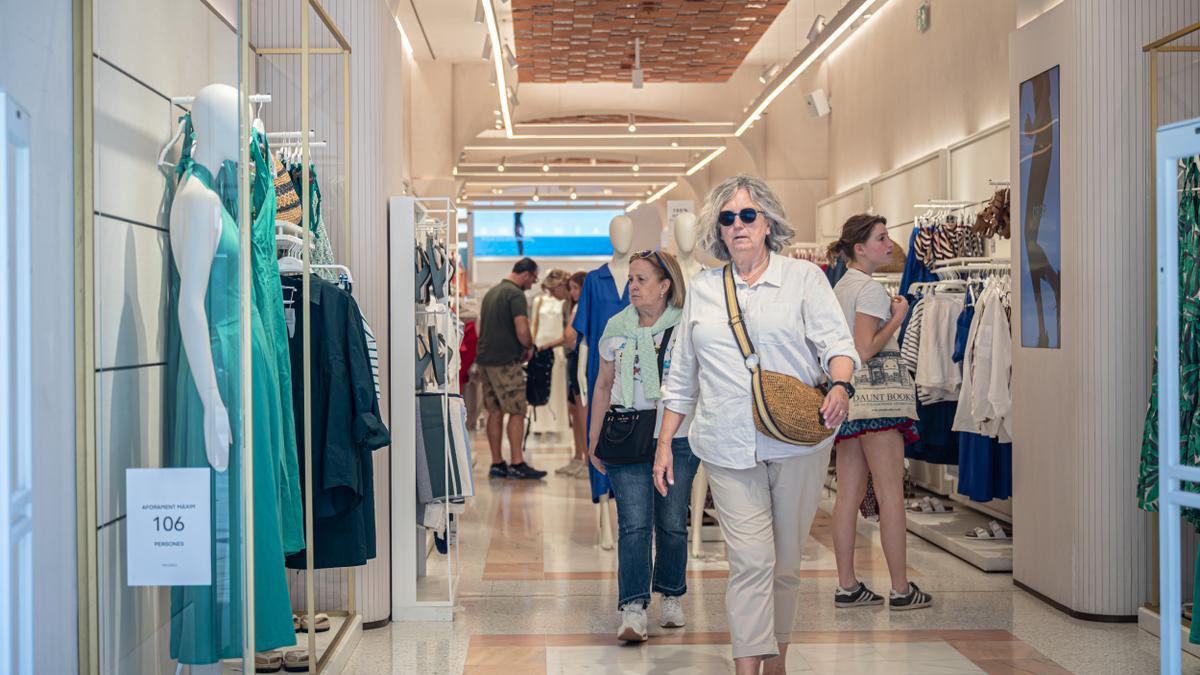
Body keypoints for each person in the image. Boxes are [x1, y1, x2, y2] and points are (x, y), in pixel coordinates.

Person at [657, 174, 860, 675]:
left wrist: (839, 386)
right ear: (718, 231)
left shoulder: (803, 279)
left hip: (796, 442)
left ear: (767, 222)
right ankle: (747, 668)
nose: (739, 225)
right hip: (725, 445)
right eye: (728, 218)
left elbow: (839, 346)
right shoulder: (704, 291)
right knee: (750, 562)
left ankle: (778, 663)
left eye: (748, 215)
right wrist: (665, 444)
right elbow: (682, 374)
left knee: (785, 565)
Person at [587, 250, 697, 643]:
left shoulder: (686, 325)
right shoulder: (616, 327)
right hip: (627, 435)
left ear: (665, 285)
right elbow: (603, 384)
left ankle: (671, 595)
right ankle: (633, 607)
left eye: (642, 279)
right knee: (634, 524)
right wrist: (593, 437)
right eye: (631, 279)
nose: (632, 286)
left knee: (671, 522)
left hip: (680, 439)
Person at [829, 214, 932, 611]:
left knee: (847, 495)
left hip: (850, 402)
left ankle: (847, 584)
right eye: (882, 238)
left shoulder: (840, 287)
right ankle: (902, 589)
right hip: (880, 402)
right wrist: (898, 319)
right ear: (860, 248)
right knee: (891, 496)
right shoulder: (870, 289)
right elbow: (865, 348)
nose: (890, 244)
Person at [475, 257, 547, 479]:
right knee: (517, 410)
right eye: (533, 279)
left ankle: (497, 463)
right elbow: (522, 328)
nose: (533, 284)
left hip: (485, 361)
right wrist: (529, 346)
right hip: (506, 362)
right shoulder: (515, 294)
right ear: (525, 274)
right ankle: (517, 462)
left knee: (494, 411)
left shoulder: (492, 292)